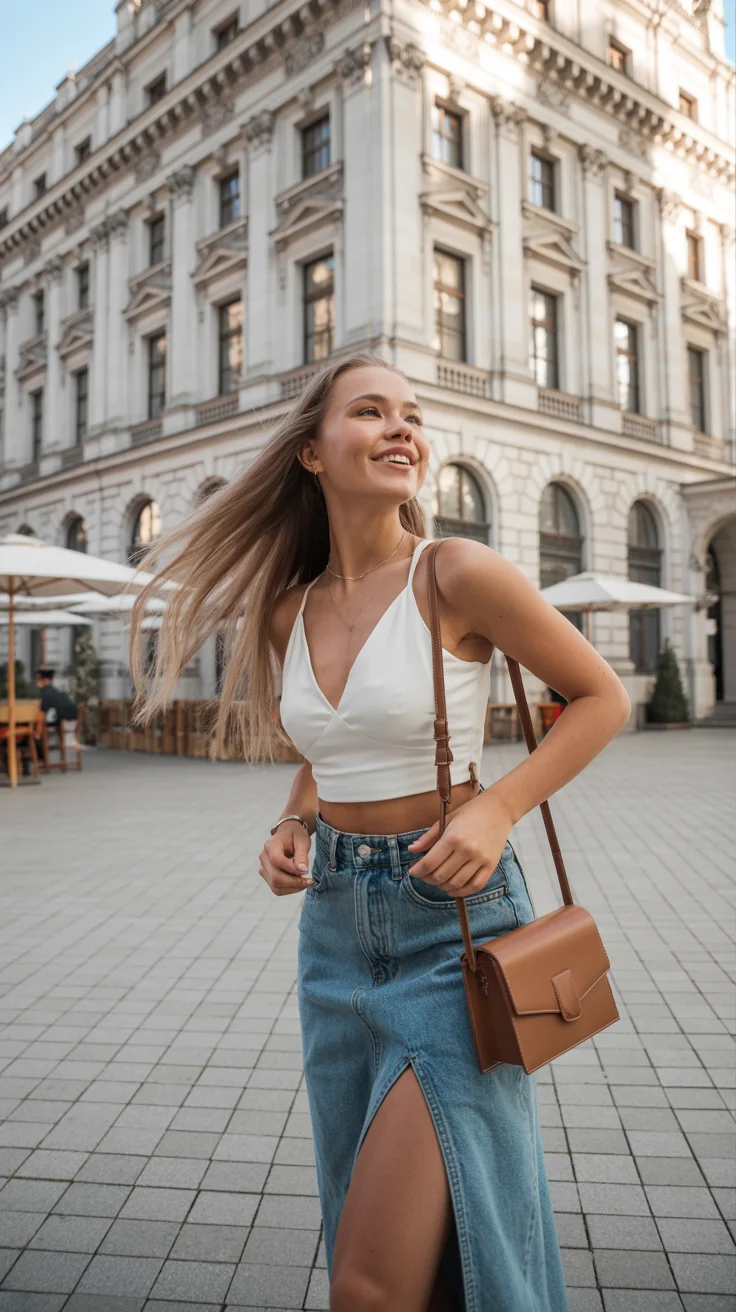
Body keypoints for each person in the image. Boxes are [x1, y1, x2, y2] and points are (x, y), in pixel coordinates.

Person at [131, 352, 630, 1312]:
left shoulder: (456, 574)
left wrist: (497, 805)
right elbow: (334, 740)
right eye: (370, 412)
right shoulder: (288, 610)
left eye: (412, 414)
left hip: (453, 919)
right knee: (380, 1233)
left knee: (372, 1283)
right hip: (333, 930)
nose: (402, 428)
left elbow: (599, 698)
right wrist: (292, 818)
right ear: (312, 453)